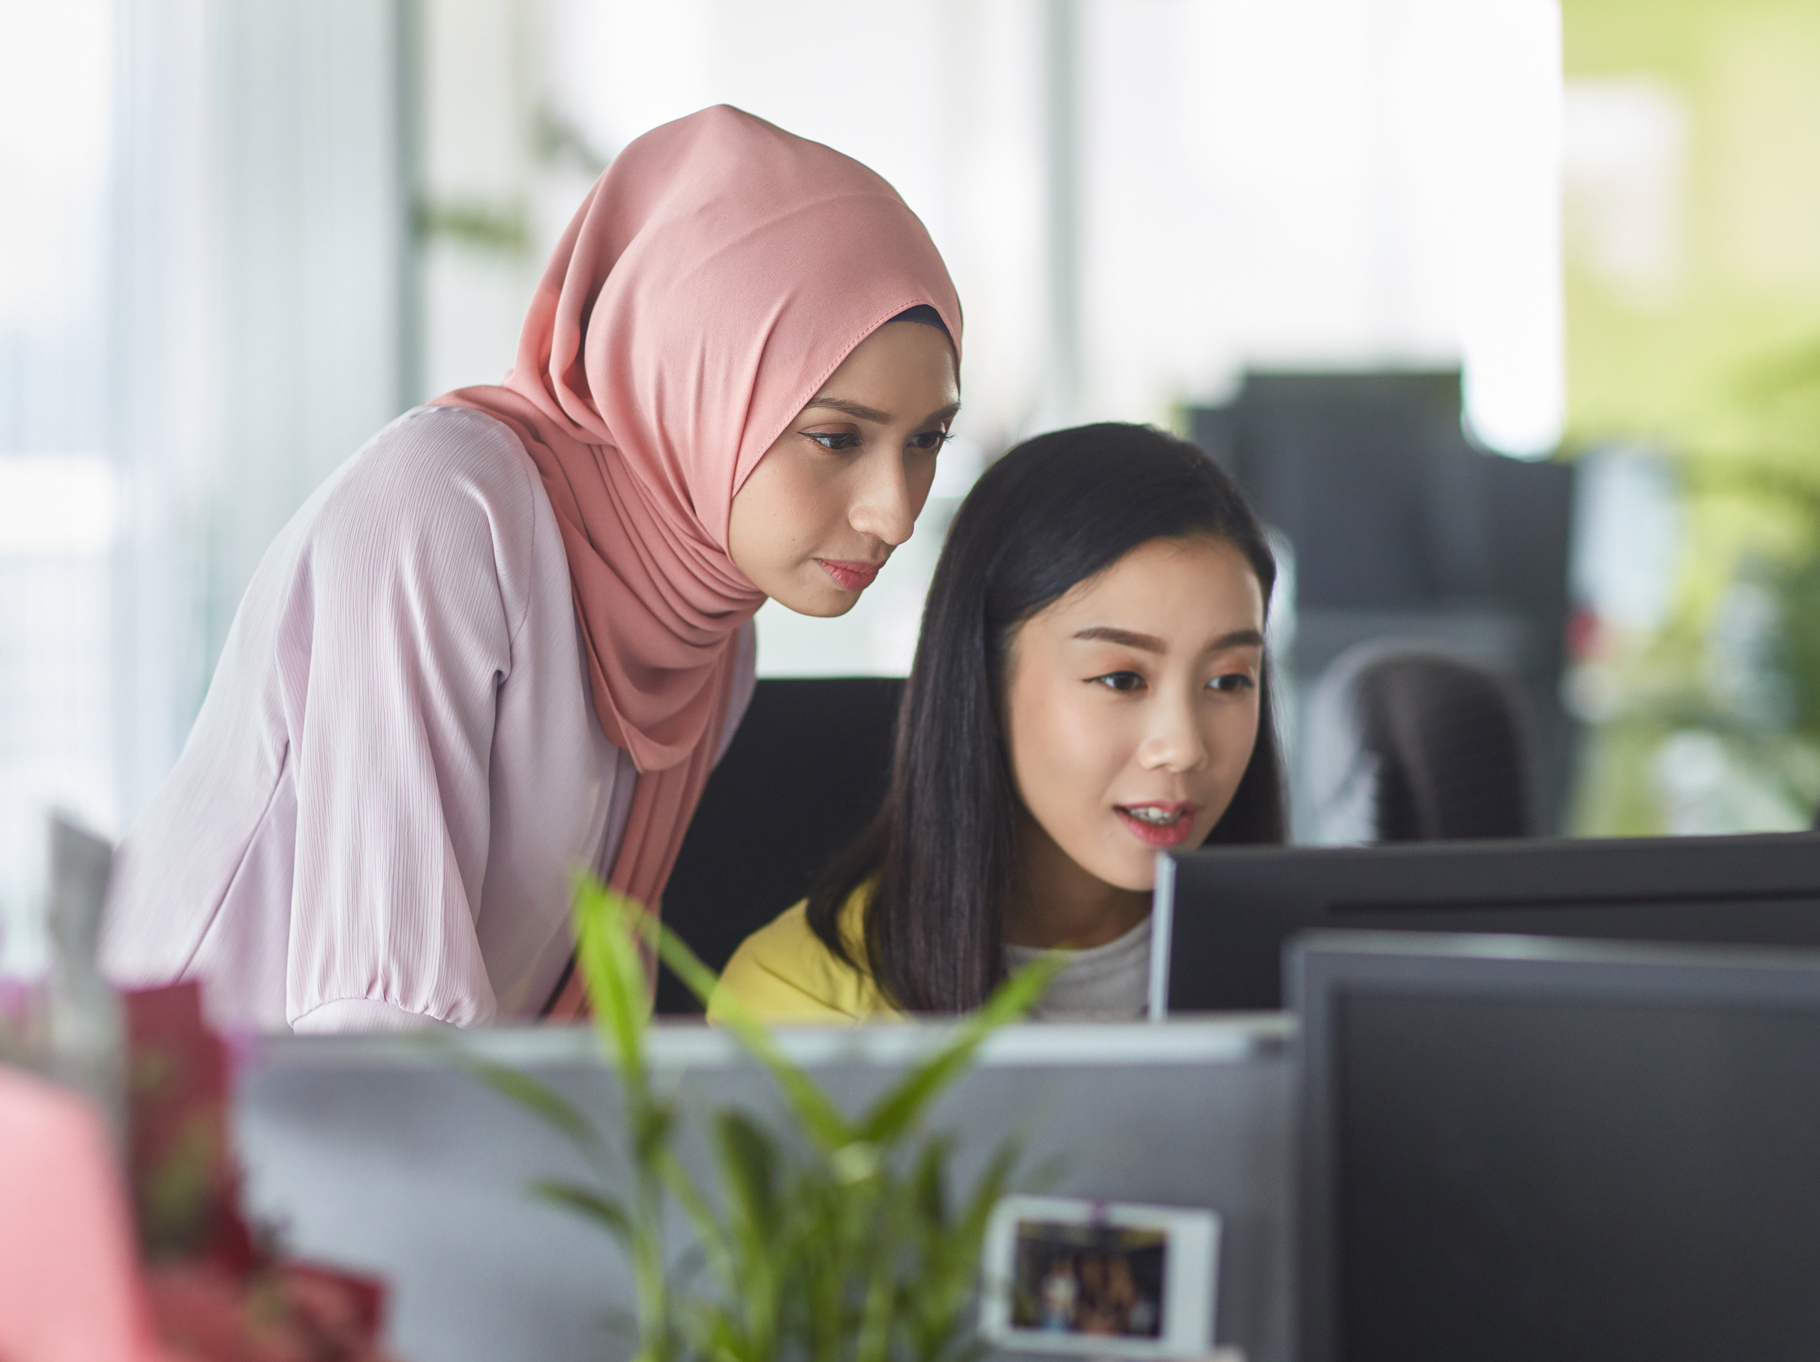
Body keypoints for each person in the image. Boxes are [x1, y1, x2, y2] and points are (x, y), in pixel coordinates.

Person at [102, 106, 962, 1034]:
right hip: (172, 1125)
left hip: (397, 1130)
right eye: (836, 437)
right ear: (696, 385)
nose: (896, 512)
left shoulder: (707, 631)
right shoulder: (442, 511)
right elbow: (378, 1015)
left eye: (925, 442)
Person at [711, 423, 1285, 1022]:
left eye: (1227, 681)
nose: (1184, 748)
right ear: (981, 681)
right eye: (1121, 679)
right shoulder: (803, 1001)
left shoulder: (1324, 966)